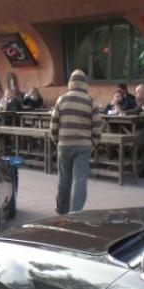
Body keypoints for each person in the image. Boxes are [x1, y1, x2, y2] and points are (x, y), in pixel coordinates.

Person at [50, 70, 102, 215]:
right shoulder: (91, 101)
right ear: (85, 83)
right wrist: (94, 142)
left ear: (71, 83)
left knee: (63, 179)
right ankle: (76, 212)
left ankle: (61, 211)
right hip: (83, 145)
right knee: (79, 179)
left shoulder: (62, 99)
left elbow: (53, 124)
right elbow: (97, 126)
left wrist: (57, 140)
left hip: (64, 144)